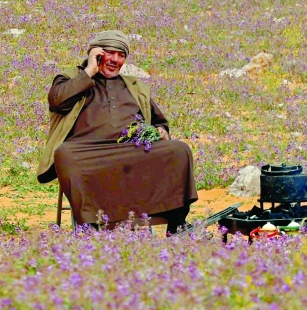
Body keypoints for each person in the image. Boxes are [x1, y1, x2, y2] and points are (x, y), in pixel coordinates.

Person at [36, 30, 197, 233]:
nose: (115, 60)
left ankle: (177, 224)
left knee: (179, 150)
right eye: (110, 53)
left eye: (121, 55)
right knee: (65, 154)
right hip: (87, 152)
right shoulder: (70, 79)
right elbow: (57, 102)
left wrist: (160, 130)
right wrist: (90, 71)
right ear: (95, 54)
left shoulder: (133, 86)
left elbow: (159, 121)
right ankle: (90, 227)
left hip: (131, 149)